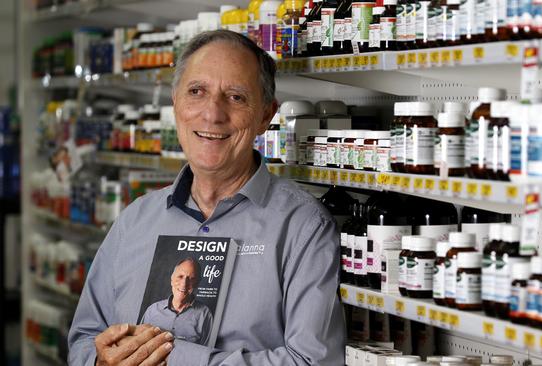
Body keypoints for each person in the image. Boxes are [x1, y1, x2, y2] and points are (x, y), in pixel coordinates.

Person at [68, 29, 345, 366]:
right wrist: (99, 361)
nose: (213, 113)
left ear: (265, 116)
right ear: (176, 103)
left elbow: (312, 361)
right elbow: (84, 337)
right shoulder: (135, 221)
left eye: (236, 97)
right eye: (196, 91)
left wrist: (170, 357)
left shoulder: (303, 228)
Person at [141, 258, 213, 346]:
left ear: (197, 283)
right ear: (172, 279)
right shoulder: (152, 310)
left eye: (191, 279)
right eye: (180, 276)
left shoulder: (205, 315)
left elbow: (205, 353)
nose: (184, 284)